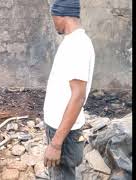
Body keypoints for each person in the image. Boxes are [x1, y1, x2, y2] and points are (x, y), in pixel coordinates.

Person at [43, 0, 95, 179]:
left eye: (53, 18)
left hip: (64, 135)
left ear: (61, 16)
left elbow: (78, 96)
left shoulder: (77, 45)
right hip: (59, 129)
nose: (54, 22)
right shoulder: (72, 42)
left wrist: (56, 144)